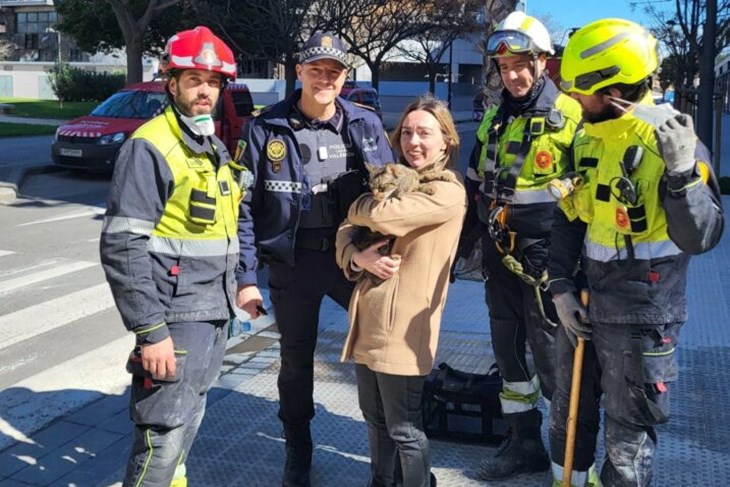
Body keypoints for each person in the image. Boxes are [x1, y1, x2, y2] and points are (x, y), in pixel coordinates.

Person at [548, 18, 724, 486]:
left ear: (611, 90)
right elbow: (570, 218)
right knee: (567, 416)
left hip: (643, 318)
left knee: (627, 442)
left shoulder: (673, 143)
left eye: (581, 90)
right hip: (584, 306)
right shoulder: (588, 137)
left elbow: (702, 237)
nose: (572, 100)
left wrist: (684, 173)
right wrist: (561, 286)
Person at [235, 32, 393, 487]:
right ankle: (297, 450)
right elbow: (244, 209)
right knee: (295, 360)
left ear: (345, 77)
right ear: (299, 71)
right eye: (316, 69)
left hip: (353, 261)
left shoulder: (364, 123)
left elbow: (392, 197)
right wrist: (247, 278)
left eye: (335, 71)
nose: (325, 78)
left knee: (377, 350)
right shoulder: (265, 127)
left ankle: (385, 447)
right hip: (293, 263)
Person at [100, 26, 242, 487]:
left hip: (211, 315)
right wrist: (151, 331)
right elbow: (123, 245)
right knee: (161, 439)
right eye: (194, 79)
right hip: (174, 322)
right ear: (171, 81)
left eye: (213, 82)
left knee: (186, 428)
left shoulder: (210, 148)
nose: (205, 91)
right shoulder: (151, 145)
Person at [462, 10, 582, 480]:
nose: (512, 75)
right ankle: (523, 443)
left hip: (547, 260)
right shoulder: (493, 119)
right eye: (504, 67)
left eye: (521, 65)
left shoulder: (570, 118)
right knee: (508, 354)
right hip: (499, 256)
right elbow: (475, 186)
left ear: (541, 63)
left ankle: (565, 457)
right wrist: (458, 252)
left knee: (554, 360)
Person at [335, 95, 466, 487]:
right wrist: (359, 258)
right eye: (406, 132)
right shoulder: (394, 179)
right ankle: (381, 481)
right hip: (367, 324)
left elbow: (384, 215)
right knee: (375, 422)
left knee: (405, 430)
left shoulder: (446, 192)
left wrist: (356, 207)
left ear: (446, 141)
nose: (413, 142)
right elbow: (344, 232)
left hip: (404, 333)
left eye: (425, 133)